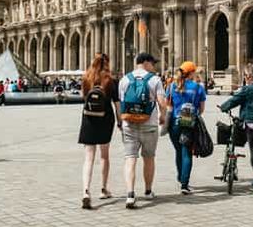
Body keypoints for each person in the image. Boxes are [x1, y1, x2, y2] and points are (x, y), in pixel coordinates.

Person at [119, 52, 166, 209]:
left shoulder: (124, 79)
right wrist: (162, 117)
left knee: (130, 158)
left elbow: (122, 102)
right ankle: (147, 191)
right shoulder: (155, 79)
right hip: (149, 124)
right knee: (149, 158)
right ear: (146, 63)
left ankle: (130, 194)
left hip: (129, 124)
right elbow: (162, 103)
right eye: (153, 63)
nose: (154, 66)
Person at [78, 54, 120, 209]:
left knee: (88, 158)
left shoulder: (86, 78)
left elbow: (84, 98)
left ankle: (86, 191)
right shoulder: (110, 80)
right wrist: (120, 121)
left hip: (88, 118)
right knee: (104, 156)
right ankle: (103, 189)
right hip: (105, 118)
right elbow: (116, 103)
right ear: (107, 63)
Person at [166, 61, 206, 195]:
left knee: (178, 150)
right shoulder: (198, 87)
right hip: (189, 123)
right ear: (192, 73)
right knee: (187, 152)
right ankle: (184, 183)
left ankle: (180, 176)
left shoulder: (171, 86)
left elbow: (168, 106)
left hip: (174, 123)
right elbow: (201, 109)